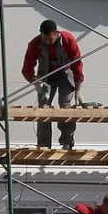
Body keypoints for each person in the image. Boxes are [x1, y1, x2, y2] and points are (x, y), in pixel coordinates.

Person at [22, 19, 84, 150]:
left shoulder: (68, 40)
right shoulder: (35, 44)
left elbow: (77, 64)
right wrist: (36, 83)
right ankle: (43, 144)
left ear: (57, 33)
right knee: (43, 108)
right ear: (41, 35)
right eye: (45, 39)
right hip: (45, 78)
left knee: (65, 107)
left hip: (65, 76)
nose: (48, 42)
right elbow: (27, 68)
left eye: (50, 39)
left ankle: (67, 141)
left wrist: (78, 89)